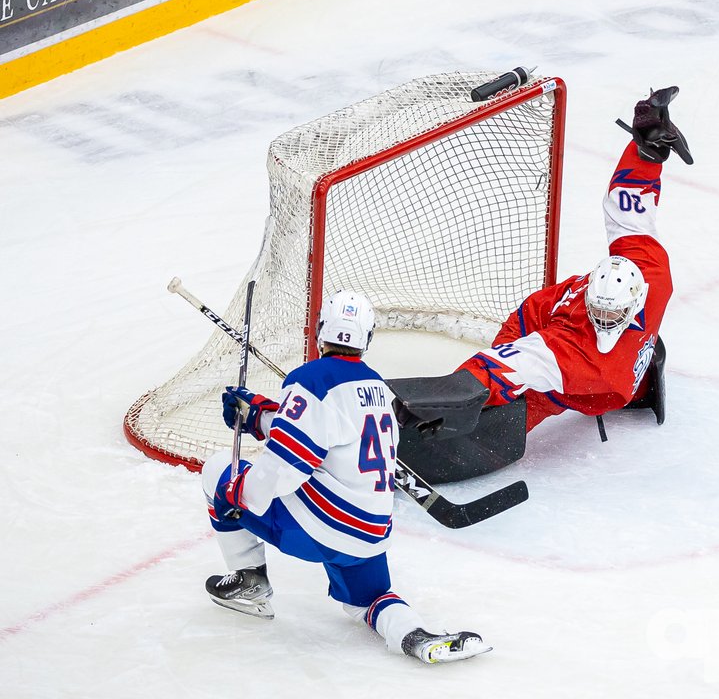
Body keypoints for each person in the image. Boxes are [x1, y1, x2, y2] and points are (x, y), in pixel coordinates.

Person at [388, 87, 692, 482]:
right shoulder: (597, 313)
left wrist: (646, 153)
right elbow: (499, 365)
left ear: (636, 302)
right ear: (587, 293)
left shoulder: (645, 280)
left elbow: (630, 212)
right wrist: (647, 155)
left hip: (593, 381)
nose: (602, 318)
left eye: (610, 312)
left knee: (531, 396)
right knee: (502, 406)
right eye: (596, 309)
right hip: (574, 363)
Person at [202, 289, 490, 664]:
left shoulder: (312, 380)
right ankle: (416, 637)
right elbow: (328, 432)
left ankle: (249, 582)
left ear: (321, 330)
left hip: (317, 531)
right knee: (369, 600)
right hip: (369, 536)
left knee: (216, 471)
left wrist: (239, 492)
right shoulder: (379, 389)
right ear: (366, 338)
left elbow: (284, 467)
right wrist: (259, 416)